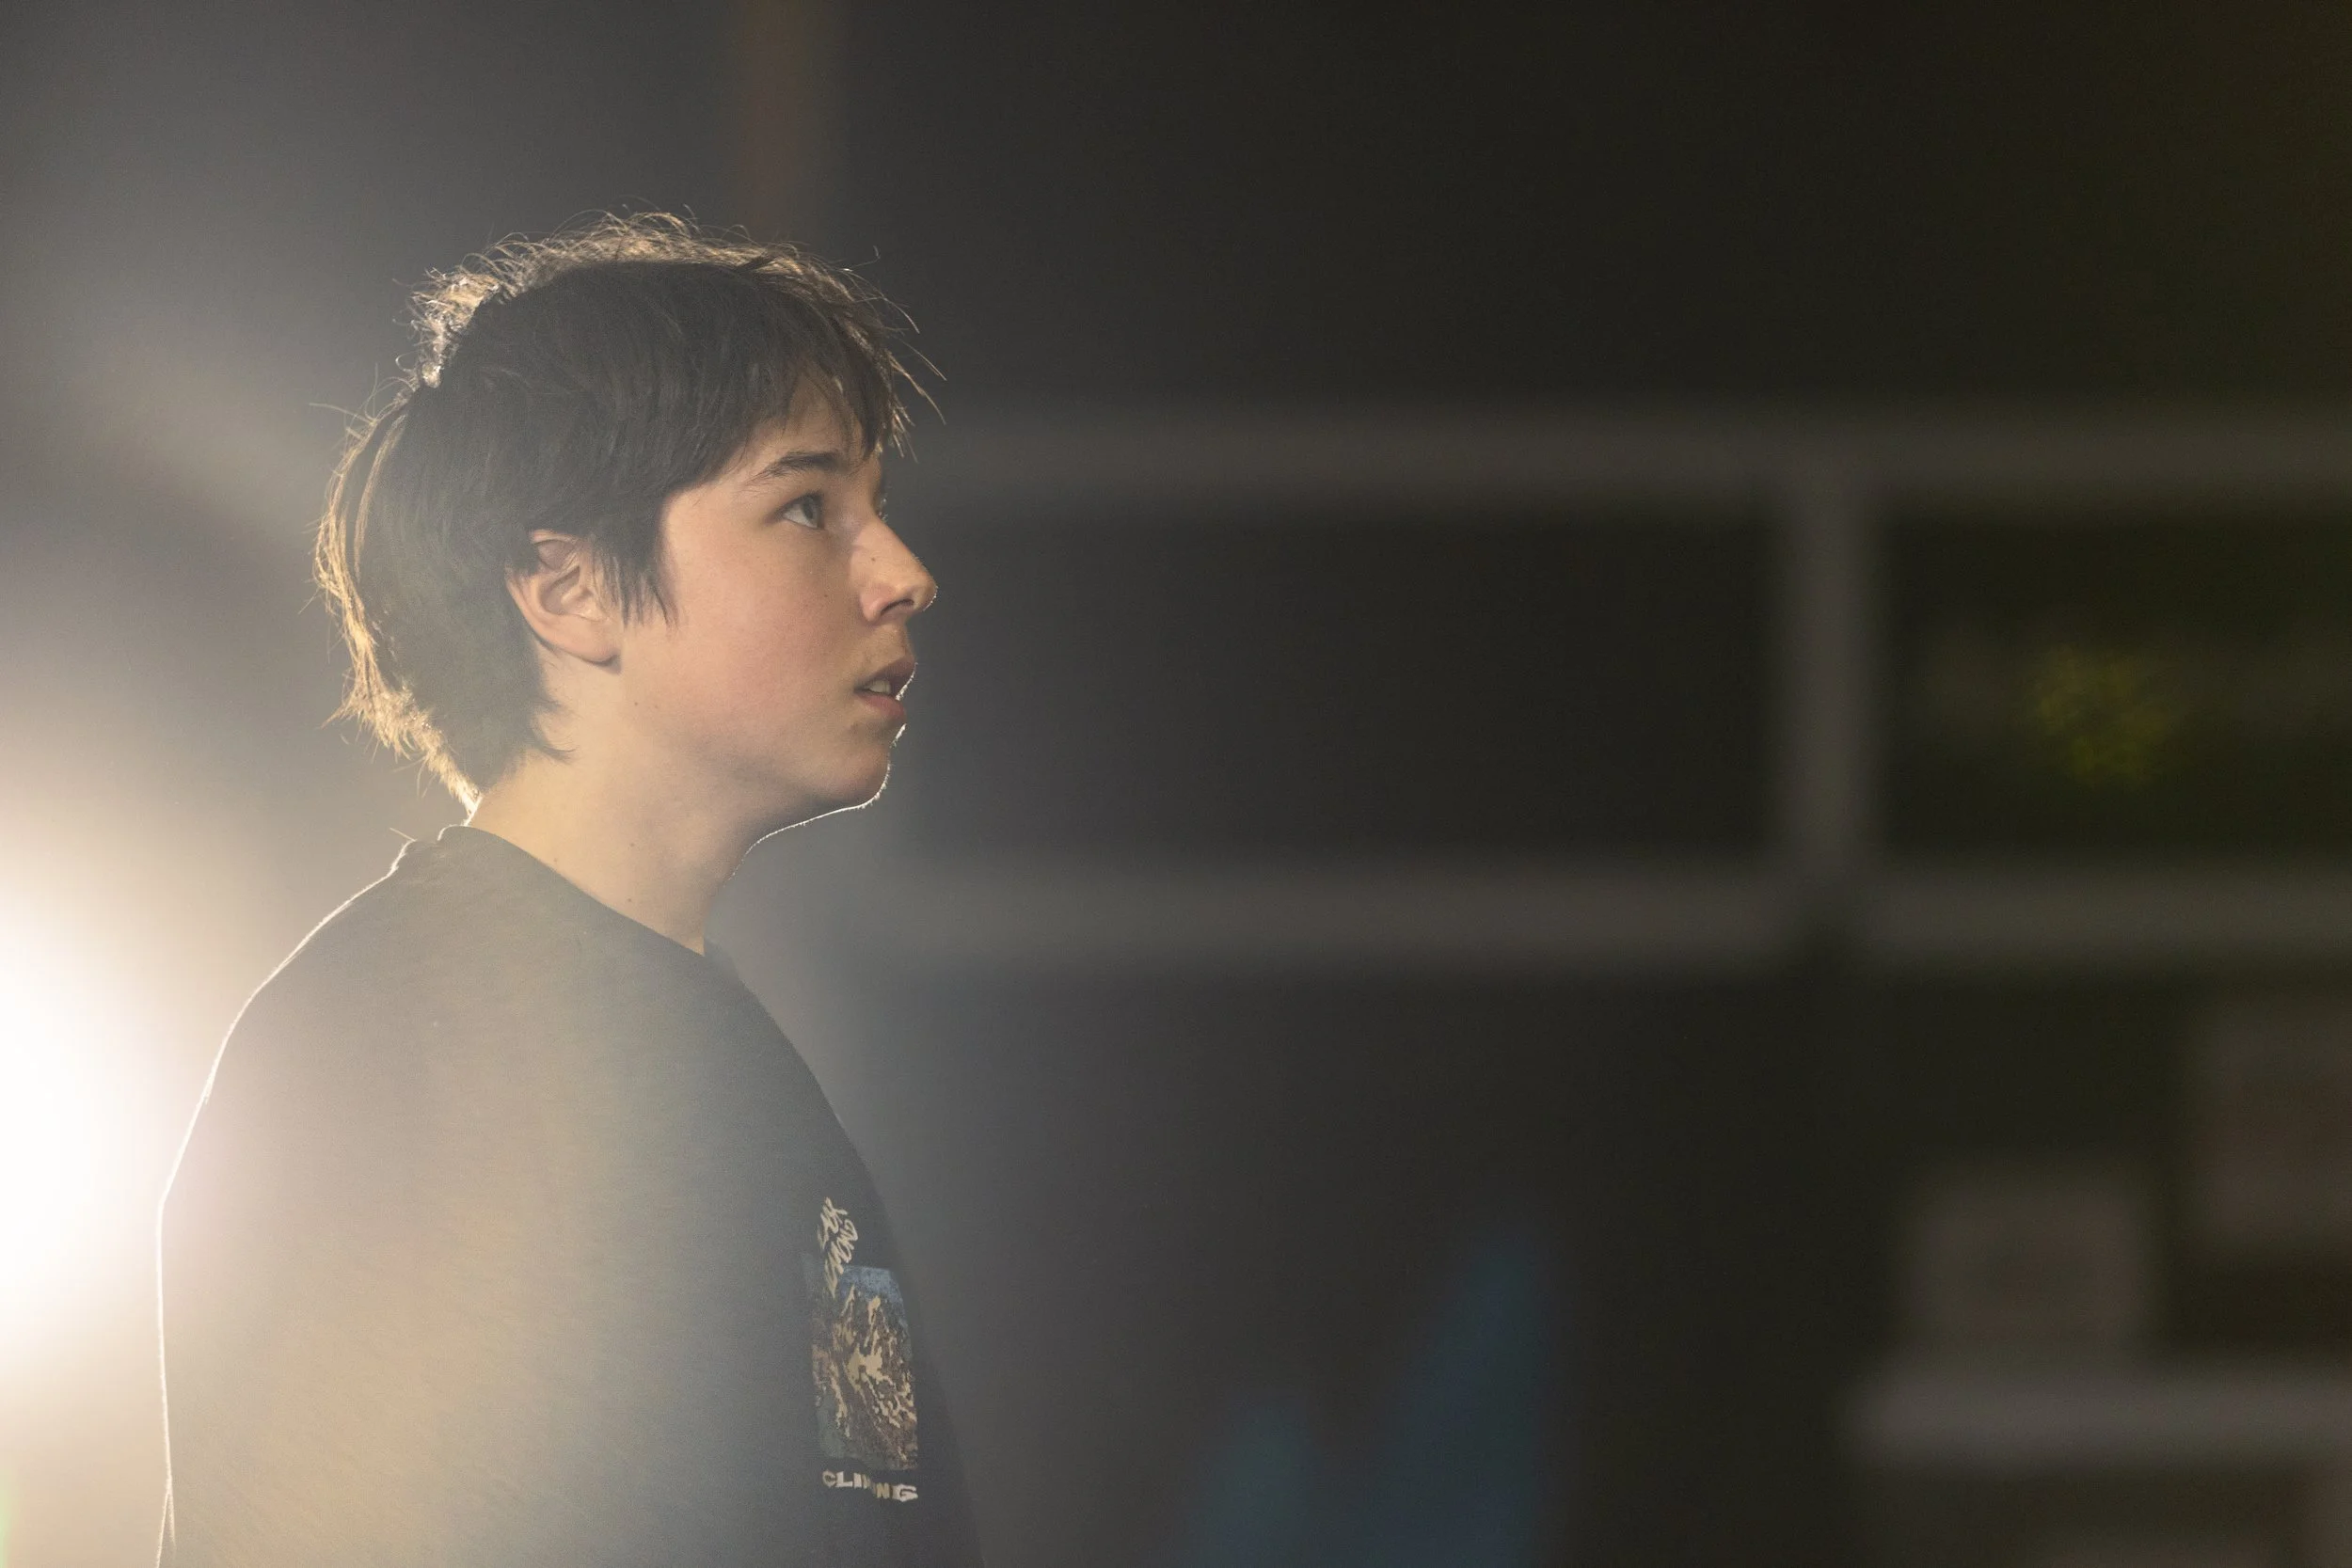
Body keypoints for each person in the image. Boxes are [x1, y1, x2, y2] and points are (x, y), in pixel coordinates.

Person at [154, 214, 981, 1567]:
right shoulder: (401, 1046)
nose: (900, 572)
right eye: (806, 508)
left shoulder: (707, 1040)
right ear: (569, 586)